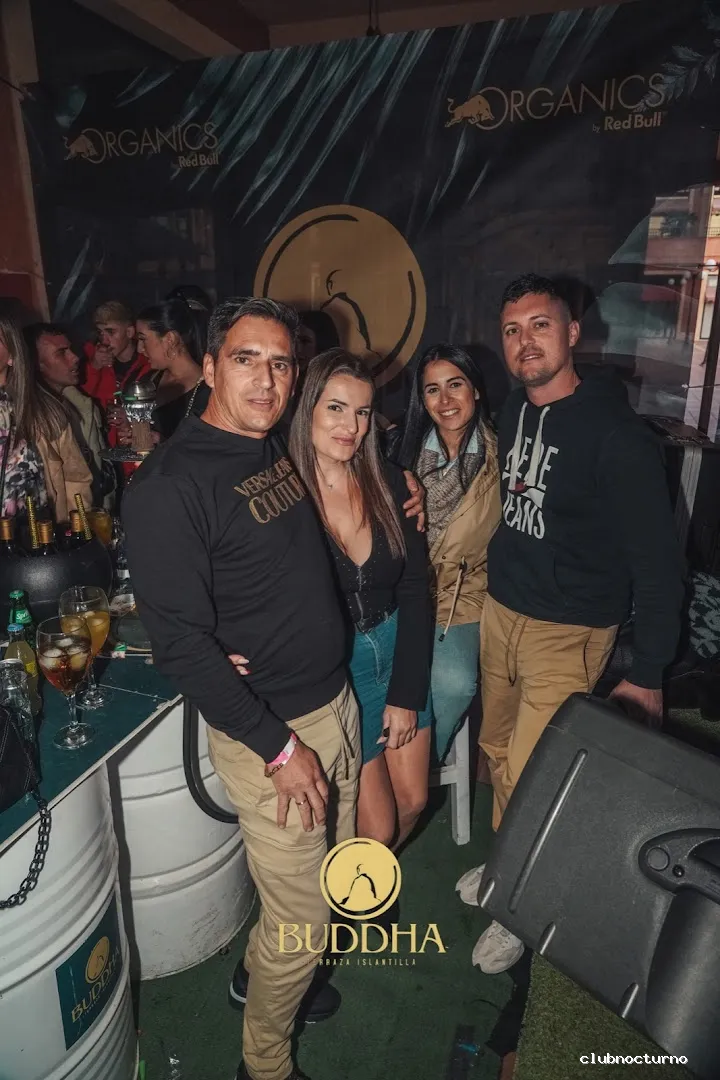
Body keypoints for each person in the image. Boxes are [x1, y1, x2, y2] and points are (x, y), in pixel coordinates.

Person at [122, 298, 359, 1080]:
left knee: (330, 878)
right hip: (276, 737)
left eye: (281, 363)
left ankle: (254, 978)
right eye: (247, 359)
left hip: (334, 702)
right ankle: (264, 1066)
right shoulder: (169, 485)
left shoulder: (268, 447)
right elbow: (179, 646)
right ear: (210, 366)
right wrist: (278, 747)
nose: (267, 379)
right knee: (304, 921)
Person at [466, 274, 684, 975]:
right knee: (498, 751)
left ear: (572, 333)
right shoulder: (512, 408)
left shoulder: (618, 438)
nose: (524, 341)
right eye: (512, 330)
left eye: (540, 325)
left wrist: (648, 672)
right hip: (503, 611)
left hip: (570, 631)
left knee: (539, 774)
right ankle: (508, 867)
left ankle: (517, 908)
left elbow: (659, 565)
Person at [287, 349, 432, 848]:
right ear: (306, 406)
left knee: (413, 802)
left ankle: (365, 881)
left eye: (363, 411)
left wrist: (407, 693)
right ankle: (352, 889)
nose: (351, 426)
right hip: (338, 669)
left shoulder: (391, 482)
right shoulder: (282, 496)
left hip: (396, 645)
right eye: (335, 408)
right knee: (376, 827)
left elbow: (414, 587)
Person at [394, 345, 501, 764]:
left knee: (454, 683)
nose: (445, 400)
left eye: (455, 385)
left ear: (475, 389)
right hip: (401, 591)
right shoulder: (398, 451)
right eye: (432, 389)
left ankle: (420, 769)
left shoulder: (503, 456)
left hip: (462, 595)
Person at [0, 314, 92, 522]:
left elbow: (76, 480)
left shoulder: (44, 414)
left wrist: (73, 530)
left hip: (37, 534)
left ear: (12, 355)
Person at [24, 322, 114, 510]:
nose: (75, 357)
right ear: (36, 364)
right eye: (61, 353)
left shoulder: (81, 405)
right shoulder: (33, 421)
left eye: (71, 349)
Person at [135, 299, 210, 441]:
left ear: (170, 339)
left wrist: (161, 440)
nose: (140, 349)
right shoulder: (149, 380)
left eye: (143, 339)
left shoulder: (210, 392)